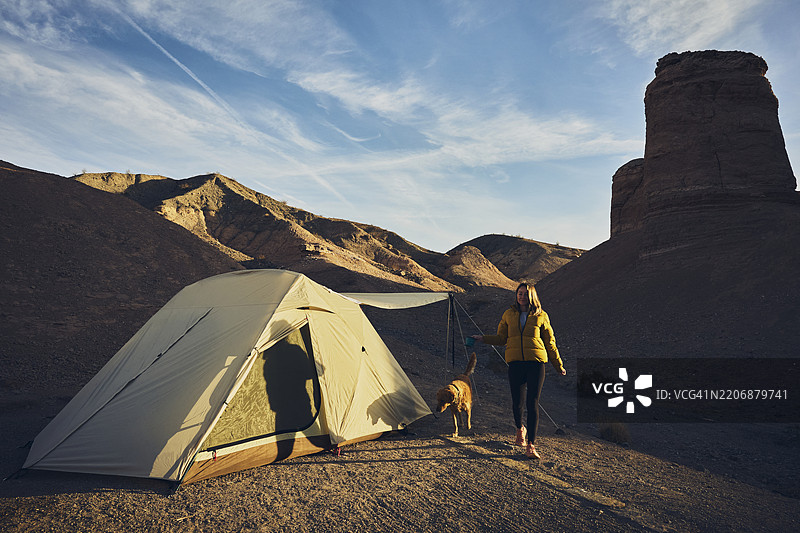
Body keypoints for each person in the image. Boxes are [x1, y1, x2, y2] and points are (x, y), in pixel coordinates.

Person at [472, 283, 566, 459]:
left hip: (536, 364)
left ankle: (531, 445)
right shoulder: (508, 314)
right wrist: (483, 338)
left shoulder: (541, 316)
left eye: (525, 294)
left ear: (532, 296)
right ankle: (519, 429)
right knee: (517, 402)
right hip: (515, 364)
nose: (522, 297)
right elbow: (501, 338)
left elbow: (550, 342)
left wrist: (558, 365)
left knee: (532, 403)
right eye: (519, 293)